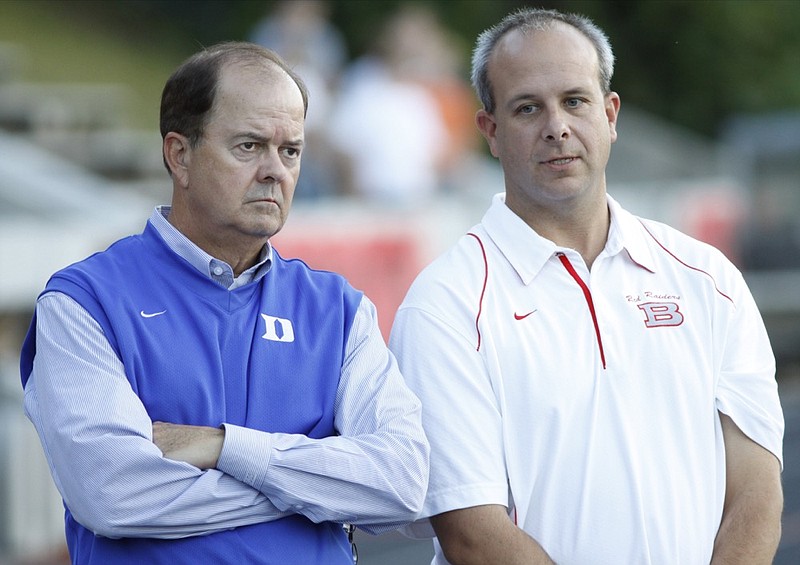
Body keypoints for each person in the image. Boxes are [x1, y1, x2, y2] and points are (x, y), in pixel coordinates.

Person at [389, 8, 783, 565]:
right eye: (528, 108)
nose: (557, 126)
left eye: (575, 100)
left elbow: (756, 493)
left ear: (610, 113)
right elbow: (471, 532)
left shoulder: (709, 279)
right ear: (491, 132)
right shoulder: (445, 305)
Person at [20, 42, 429, 565]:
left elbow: (403, 483)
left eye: (291, 151)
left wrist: (223, 447)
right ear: (179, 155)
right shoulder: (85, 302)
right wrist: (317, 492)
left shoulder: (339, 310)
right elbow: (113, 494)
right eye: (249, 146)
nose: (275, 171)